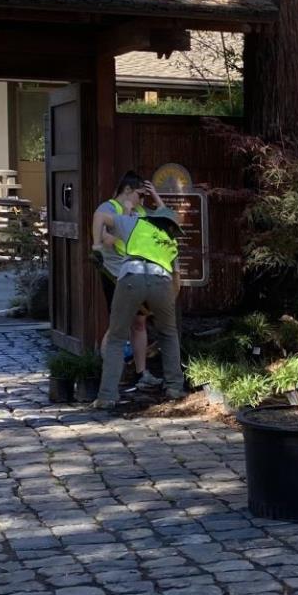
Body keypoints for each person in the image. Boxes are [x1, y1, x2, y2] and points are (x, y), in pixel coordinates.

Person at [93, 203, 188, 413]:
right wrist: (164, 305)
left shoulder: (136, 223)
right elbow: (176, 281)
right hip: (162, 283)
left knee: (117, 337)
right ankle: (174, 388)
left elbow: (100, 215)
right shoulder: (171, 242)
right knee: (168, 334)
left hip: (130, 277)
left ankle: (107, 396)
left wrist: (96, 245)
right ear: (171, 226)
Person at [92, 170, 162, 393]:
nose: (143, 200)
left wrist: (156, 197)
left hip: (139, 274)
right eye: (141, 194)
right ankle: (111, 373)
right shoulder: (108, 208)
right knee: (117, 326)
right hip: (115, 275)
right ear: (128, 190)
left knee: (139, 323)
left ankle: (142, 373)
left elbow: (164, 220)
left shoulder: (140, 211)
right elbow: (105, 238)